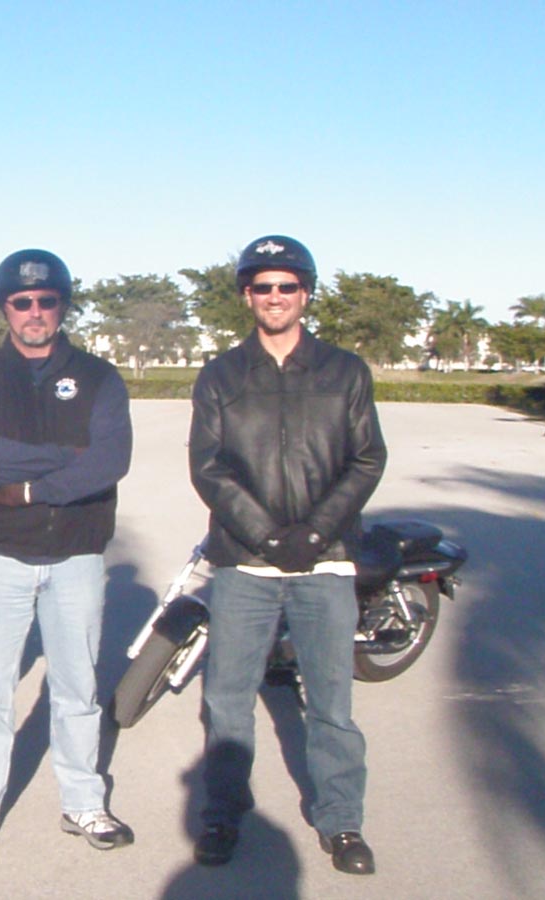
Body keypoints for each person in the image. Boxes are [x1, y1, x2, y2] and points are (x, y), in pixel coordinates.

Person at [188, 235, 387, 875]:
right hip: (245, 562)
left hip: (324, 563)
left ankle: (341, 820)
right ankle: (223, 813)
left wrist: (316, 533)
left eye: (287, 286)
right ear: (247, 296)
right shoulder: (221, 375)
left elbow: (367, 459)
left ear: (305, 293)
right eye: (263, 286)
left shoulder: (345, 371)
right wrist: (270, 537)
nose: (275, 297)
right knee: (227, 699)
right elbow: (208, 467)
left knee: (330, 702)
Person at [0, 249, 134, 856]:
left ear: (62, 306)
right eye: (22, 301)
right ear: (5, 308)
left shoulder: (100, 378)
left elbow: (111, 461)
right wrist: (68, 459)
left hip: (76, 557)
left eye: (46, 300)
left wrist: (31, 488)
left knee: (78, 691)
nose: (34, 311)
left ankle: (84, 804)